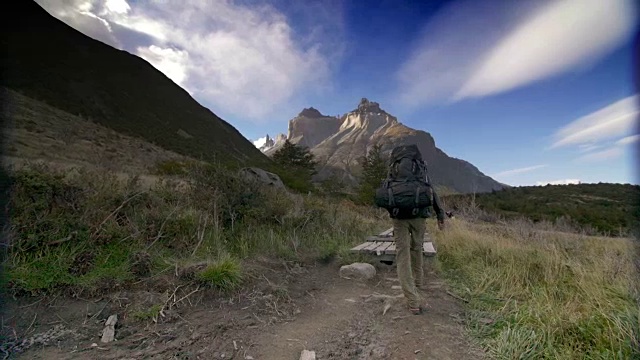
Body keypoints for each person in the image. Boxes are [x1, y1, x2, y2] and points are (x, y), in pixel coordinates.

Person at [377, 144, 446, 315]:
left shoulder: (394, 166)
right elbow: (432, 191)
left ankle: (412, 299)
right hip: (419, 216)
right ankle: (419, 284)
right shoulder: (420, 169)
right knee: (417, 249)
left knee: (402, 254)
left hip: (399, 217)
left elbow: (387, 190)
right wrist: (440, 216)